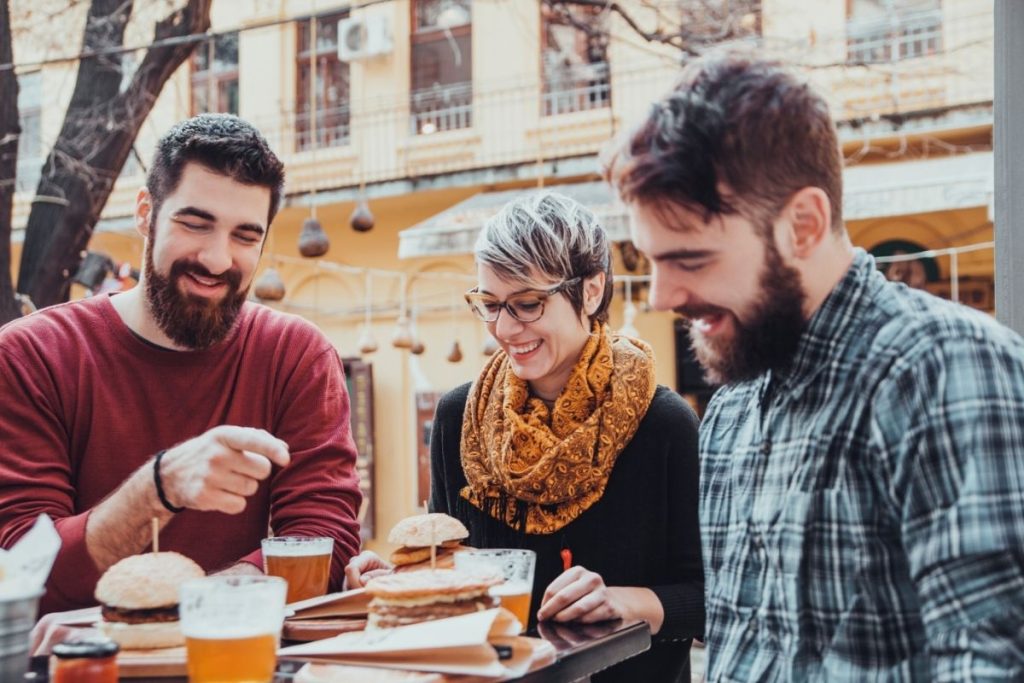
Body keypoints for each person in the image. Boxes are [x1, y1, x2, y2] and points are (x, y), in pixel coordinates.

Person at [605, 52, 1024, 680]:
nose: (662, 297)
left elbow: (990, 663)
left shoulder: (946, 372)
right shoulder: (733, 408)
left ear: (803, 224)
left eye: (691, 260)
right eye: (651, 260)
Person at [0, 114, 362, 615]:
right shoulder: (30, 355)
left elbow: (324, 538)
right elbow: (23, 568)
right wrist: (159, 487)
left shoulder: (296, 355)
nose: (217, 259)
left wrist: (203, 605)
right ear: (146, 213)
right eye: (195, 224)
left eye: (245, 236)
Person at [348, 191, 704, 682]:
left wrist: (627, 601)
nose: (504, 327)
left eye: (528, 304)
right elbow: (449, 565)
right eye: (489, 304)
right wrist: (402, 580)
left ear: (592, 290)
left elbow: (714, 598)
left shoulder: (663, 424)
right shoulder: (459, 417)